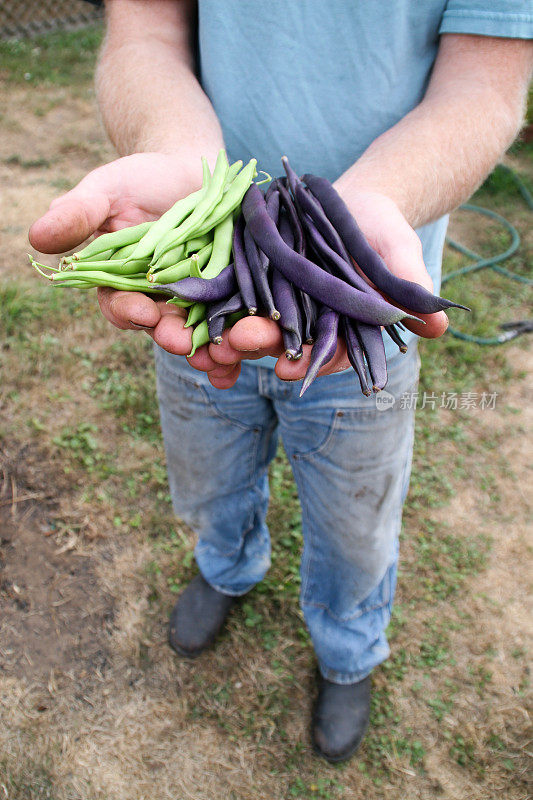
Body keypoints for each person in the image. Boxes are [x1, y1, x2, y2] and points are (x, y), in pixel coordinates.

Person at [29, 0, 532, 763]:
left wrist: (373, 206)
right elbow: (146, 29)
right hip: (204, 275)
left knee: (355, 524)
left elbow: (484, 86)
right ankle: (226, 569)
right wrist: (175, 150)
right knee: (209, 479)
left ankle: (349, 647)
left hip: (365, 294)